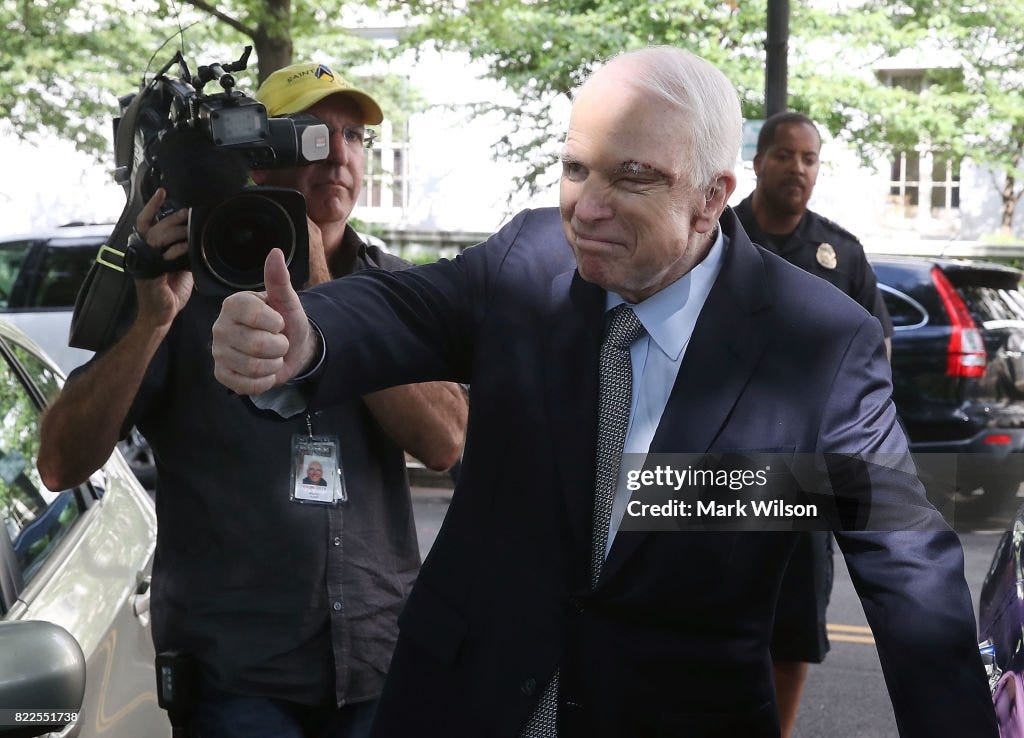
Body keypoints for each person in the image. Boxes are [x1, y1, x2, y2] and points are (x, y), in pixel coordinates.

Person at [210, 47, 997, 737]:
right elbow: (408, 305)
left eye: (632, 177)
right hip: (463, 703)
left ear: (711, 196)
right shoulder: (528, 260)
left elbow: (907, 565)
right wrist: (305, 334)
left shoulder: (820, 342)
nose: (585, 208)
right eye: (576, 167)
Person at [37, 61, 468, 738]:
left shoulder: (392, 286)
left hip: (378, 663)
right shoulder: (183, 288)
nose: (339, 155)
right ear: (258, 156)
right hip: (235, 678)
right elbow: (61, 463)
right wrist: (151, 320)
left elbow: (447, 441)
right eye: (313, 135)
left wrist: (330, 300)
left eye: (355, 136)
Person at [733, 110, 895, 737]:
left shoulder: (839, 253)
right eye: (785, 155)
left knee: (794, 630)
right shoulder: (715, 233)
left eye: (809, 159)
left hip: (804, 472)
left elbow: (873, 353)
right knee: (698, 614)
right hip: (714, 464)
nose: (797, 169)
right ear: (759, 161)